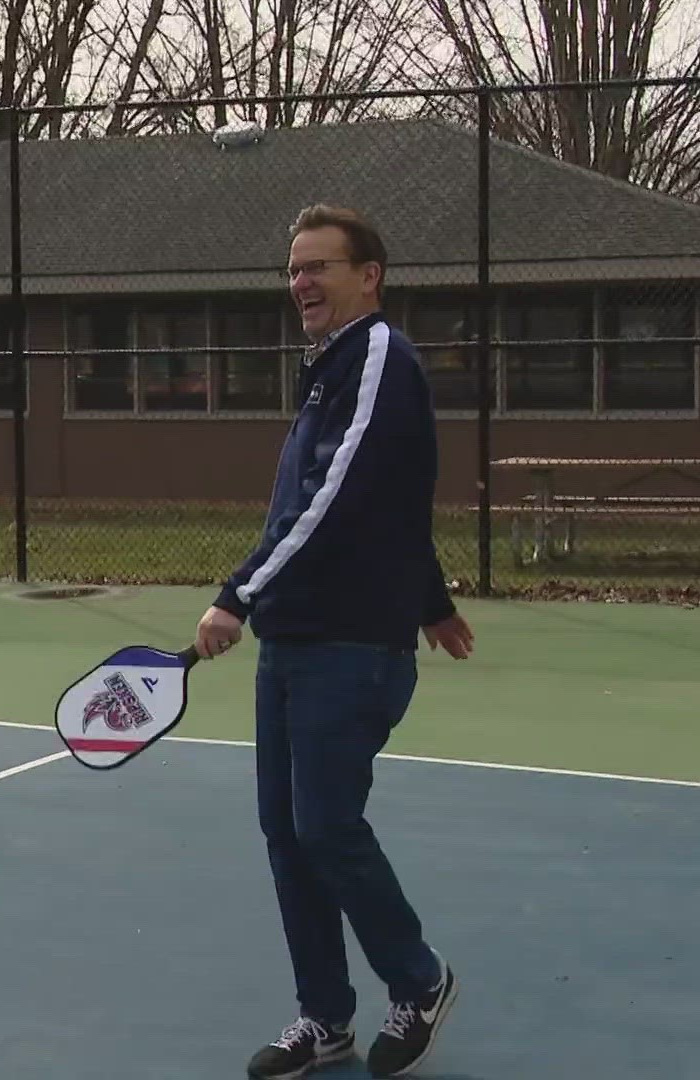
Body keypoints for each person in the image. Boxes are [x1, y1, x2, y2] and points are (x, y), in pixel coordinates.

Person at [194, 205, 474, 1080]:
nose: (302, 284)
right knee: (288, 833)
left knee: (324, 826)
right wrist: (431, 598)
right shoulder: (328, 369)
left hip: (350, 650)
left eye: (320, 267)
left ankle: (419, 980)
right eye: (293, 271)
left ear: (369, 276)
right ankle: (325, 1018)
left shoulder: (380, 355)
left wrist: (236, 594)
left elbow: (337, 493)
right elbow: (392, 499)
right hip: (299, 642)